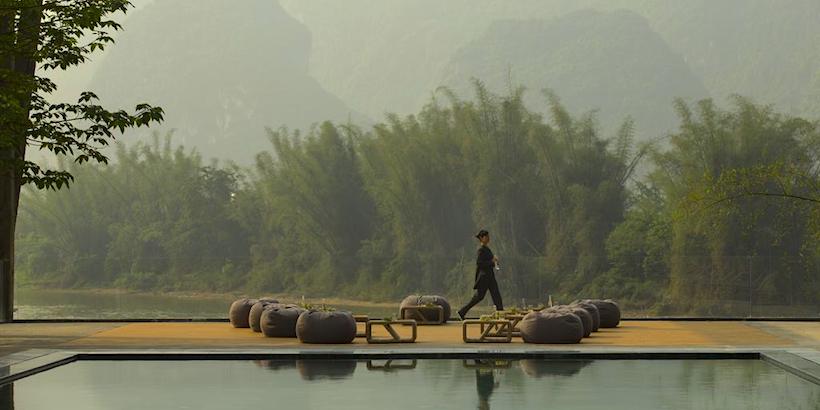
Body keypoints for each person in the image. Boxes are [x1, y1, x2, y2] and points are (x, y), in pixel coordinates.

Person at [457, 229, 504, 320]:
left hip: (490, 276)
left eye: (488, 236)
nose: (488, 238)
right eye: (486, 237)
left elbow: (489, 262)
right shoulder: (481, 250)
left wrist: (494, 262)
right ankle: (461, 312)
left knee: (496, 295)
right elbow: (480, 263)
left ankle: (501, 315)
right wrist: (491, 261)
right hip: (484, 277)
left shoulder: (487, 249)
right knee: (479, 297)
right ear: (482, 238)